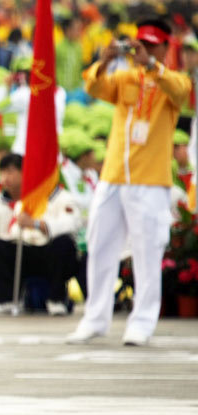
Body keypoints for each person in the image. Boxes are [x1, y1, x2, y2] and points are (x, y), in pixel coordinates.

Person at [67, 20, 191, 346]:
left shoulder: (171, 80)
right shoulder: (126, 78)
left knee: (147, 252)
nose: (144, 51)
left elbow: (182, 92)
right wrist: (106, 59)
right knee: (99, 246)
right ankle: (95, 318)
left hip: (150, 180)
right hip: (113, 176)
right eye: (141, 45)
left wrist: (152, 65)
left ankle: (143, 321)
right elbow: (94, 88)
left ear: (165, 47)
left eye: (152, 46)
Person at [0, 153, 81, 316]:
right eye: (3, 172)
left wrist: (38, 224)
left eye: (11, 172)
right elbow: (8, 232)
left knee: (64, 243)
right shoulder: (6, 200)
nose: (5, 178)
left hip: (49, 252)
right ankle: (3, 299)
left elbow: (71, 224)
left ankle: (56, 299)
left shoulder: (63, 197)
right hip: (22, 250)